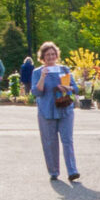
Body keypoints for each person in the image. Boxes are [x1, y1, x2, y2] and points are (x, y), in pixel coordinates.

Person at [30, 42, 79, 182]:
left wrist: (67, 88)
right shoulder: (37, 72)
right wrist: (43, 77)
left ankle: (72, 171)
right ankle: (53, 171)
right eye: (47, 55)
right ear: (42, 57)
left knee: (67, 140)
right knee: (50, 142)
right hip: (46, 112)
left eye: (53, 54)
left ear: (57, 55)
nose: (50, 57)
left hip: (65, 110)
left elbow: (75, 88)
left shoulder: (64, 69)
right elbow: (36, 92)